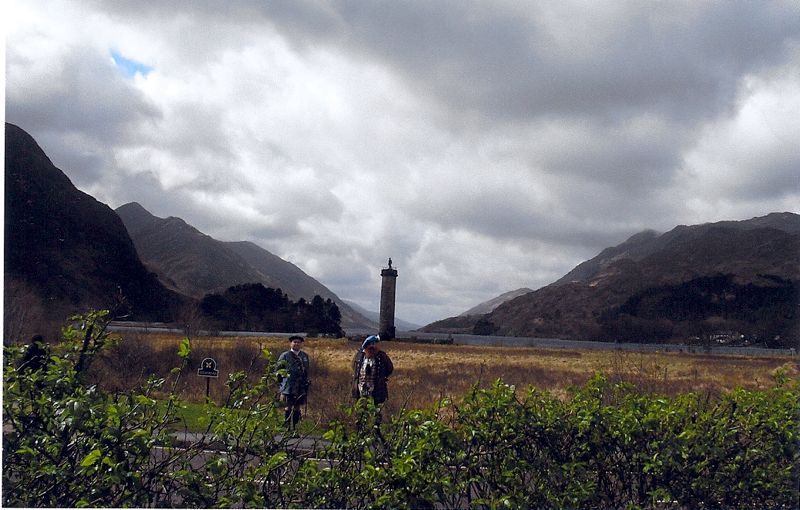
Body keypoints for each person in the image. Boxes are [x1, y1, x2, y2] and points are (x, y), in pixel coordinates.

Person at [276, 335, 310, 431]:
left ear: (301, 344)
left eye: (298, 342)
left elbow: (306, 370)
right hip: (288, 385)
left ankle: (294, 427)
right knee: (288, 406)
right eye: (294, 342)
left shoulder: (304, 356)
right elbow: (278, 370)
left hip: (300, 385)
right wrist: (280, 383)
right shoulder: (285, 355)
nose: (296, 344)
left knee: (297, 407)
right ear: (291, 343)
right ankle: (287, 427)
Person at [351, 335, 393, 405]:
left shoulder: (382, 357)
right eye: (369, 347)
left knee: (375, 413)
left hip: (377, 393)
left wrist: (382, 378)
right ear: (365, 347)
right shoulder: (359, 357)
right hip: (360, 392)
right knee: (361, 412)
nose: (372, 349)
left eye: (374, 346)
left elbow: (390, 369)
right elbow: (354, 369)